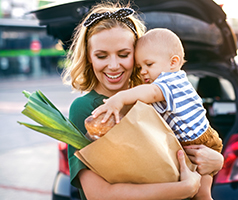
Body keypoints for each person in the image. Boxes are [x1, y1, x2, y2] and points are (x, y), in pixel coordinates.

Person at [63, 2, 224, 200]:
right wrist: (184, 189)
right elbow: (98, 195)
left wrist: (216, 161)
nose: (113, 65)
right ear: (89, 58)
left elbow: (181, 151)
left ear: (138, 55)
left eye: (124, 54)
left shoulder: (153, 100)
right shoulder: (87, 109)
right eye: (101, 55)